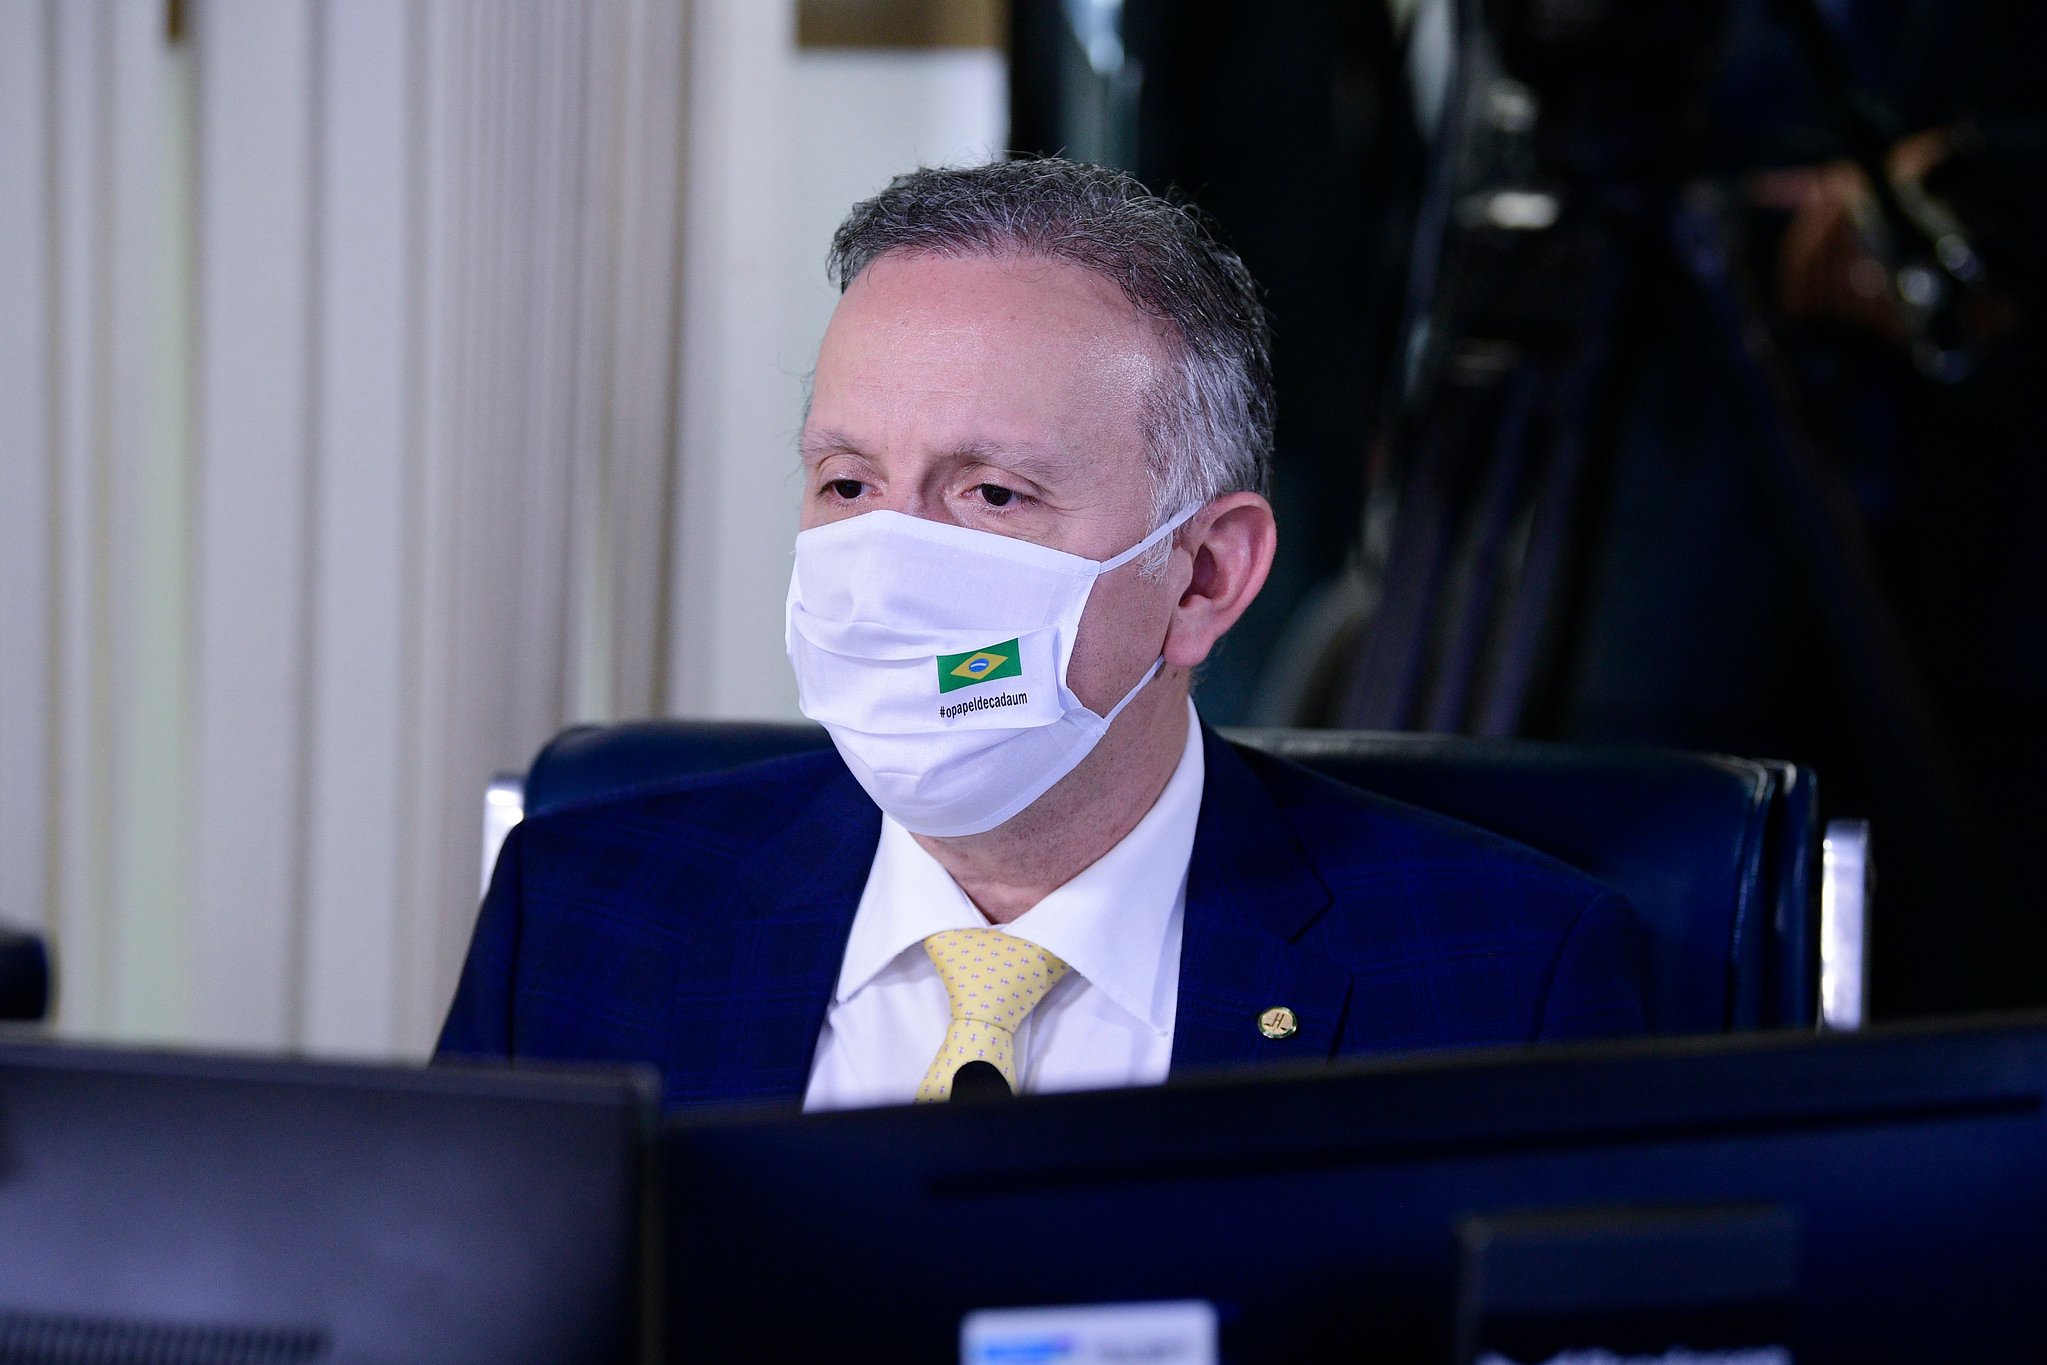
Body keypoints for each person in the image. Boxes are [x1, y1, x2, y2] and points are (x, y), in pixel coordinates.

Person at [437, 158, 1645, 1111]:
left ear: (1205, 576)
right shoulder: (583, 913)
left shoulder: (1504, 979)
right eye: (847, 485)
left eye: (991, 494)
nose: (885, 571)